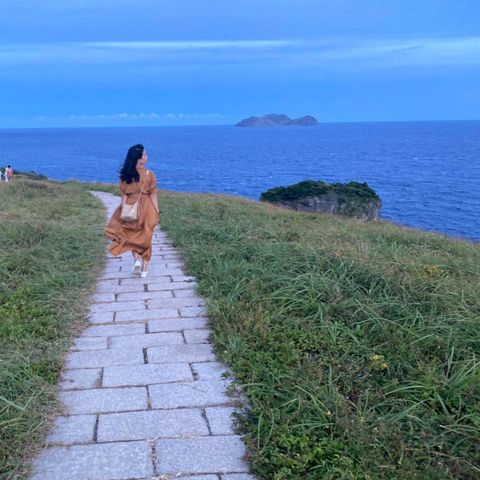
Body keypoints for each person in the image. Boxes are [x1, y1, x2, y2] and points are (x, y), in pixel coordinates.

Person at [105, 144, 159, 277]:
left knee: (132, 235)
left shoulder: (125, 175)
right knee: (146, 236)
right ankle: (144, 269)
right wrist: (156, 211)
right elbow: (153, 195)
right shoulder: (149, 174)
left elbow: (124, 196)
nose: (147, 157)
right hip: (146, 207)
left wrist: (124, 211)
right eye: (145, 155)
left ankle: (136, 261)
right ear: (139, 158)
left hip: (130, 206)